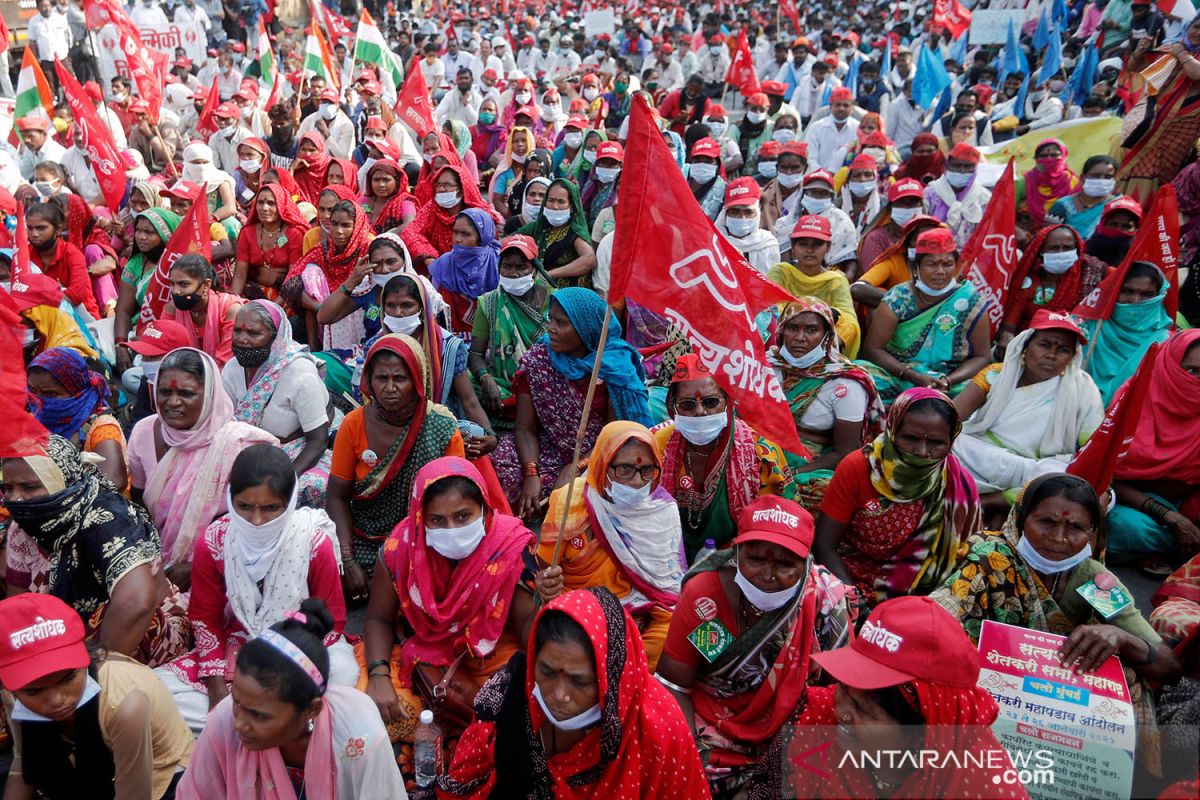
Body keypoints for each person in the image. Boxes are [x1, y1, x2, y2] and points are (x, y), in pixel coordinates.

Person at [656, 496, 856, 797]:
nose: (768, 575)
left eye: (786, 564)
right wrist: (690, 749)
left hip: (792, 727)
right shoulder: (705, 599)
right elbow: (675, 682)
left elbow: (839, 692)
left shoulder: (825, 603)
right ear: (737, 552)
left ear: (807, 562)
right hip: (713, 726)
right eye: (756, 559)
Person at [154, 444, 354, 734]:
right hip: (242, 640)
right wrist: (216, 686)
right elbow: (205, 616)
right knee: (157, 692)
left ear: (290, 501)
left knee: (343, 675)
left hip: (304, 644)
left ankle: (253, 721)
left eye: (271, 508)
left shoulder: (313, 543)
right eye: (245, 506)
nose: (257, 521)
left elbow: (332, 622)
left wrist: (289, 670)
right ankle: (272, 721)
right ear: (230, 498)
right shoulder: (215, 542)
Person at [440, 587, 711, 798]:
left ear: (612, 679)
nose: (558, 695)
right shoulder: (506, 694)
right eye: (546, 672)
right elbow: (466, 779)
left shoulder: (656, 729)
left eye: (579, 682)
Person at [359, 456, 535, 750]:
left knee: (517, 712)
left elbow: (528, 630)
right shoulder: (399, 550)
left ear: (483, 509)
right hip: (423, 653)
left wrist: (546, 602)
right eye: (437, 520)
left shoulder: (510, 547)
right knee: (371, 711)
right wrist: (379, 675)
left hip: (490, 654)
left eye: (463, 516)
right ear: (419, 517)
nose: (452, 529)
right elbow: (378, 619)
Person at [788, 596, 1028, 798]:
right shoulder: (816, 719)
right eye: (843, 688)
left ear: (923, 731)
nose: (841, 711)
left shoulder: (983, 785)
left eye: (863, 710)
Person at [178, 599, 407, 798]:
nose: (238, 723)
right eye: (237, 701)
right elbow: (195, 794)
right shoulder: (223, 722)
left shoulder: (358, 733)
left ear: (311, 710)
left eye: (259, 715)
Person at [1, 434, 191, 668]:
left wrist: (90, 676)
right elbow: (18, 606)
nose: (16, 499)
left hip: (142, 630)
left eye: (30, 487)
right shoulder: (23, 528)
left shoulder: (107, 517)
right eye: (8, 488)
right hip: (64, 632)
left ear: (61, 481)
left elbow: (137, 603)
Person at [0, 593, 194, 800]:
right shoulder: (13, 693)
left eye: (67, 678)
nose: (57, 699)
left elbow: (134, 796)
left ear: (84, 658)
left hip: (161, 780)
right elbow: (24, 762)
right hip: (94, 772)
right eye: (34, 691)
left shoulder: (123, 703)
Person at [127, 347, 277, 592]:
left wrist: (195, 566)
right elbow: (138, 503)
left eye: (187, 393)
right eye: (165, 391)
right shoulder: (145, 431)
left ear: (209, 395)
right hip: (154, 560)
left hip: (223, 568)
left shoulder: (237, 445)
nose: (173, 402)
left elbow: (256, 527)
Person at [536, 421, 683, 670]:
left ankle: (626, 671)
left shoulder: (663, 511)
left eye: (647, 470)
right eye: (625, 469)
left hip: (640, 617)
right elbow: (544, 572)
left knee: (677, 628)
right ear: (602, 465)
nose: (637, 481)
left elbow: (667, 595)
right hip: (579, 614)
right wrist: (546, 587)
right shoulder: (568, 503)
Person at [327, 335, 466, 597]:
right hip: (367, 539)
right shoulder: (353, 424)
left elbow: (456, 497)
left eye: (400, 378)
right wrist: (347, 559)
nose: (390, 388)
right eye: (381, 378)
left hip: (426, 538)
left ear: (417, 379)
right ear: (368, 380)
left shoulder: (441, 425)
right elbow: (337, 496)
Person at [815, 388, 982, 606]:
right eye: (910, 438)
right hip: (852, 577)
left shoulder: (958, 483)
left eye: (936, 442)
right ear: (892, 430)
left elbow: (963, 560)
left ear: (951, 440)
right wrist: (854, 601)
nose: (922, 451)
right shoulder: (859, 468)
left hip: (923, 593)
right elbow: (824, 545)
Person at [494, 287, 653, 515]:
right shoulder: (539, 359)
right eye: (551, 320)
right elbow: (525, 428)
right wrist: (531, 473)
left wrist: (577, 466)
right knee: (502, 465)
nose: (551, 328)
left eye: (561, 323)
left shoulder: (615, 369)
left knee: (600, 487)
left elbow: (615, 438)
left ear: (585, 329)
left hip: (597, 453)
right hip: (550, 446)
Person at [953, 311, 1104, 511]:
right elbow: (950, 417)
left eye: (1063, 349)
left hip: (1035, 469)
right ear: (1025, 346)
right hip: (983, 458)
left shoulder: (1083, 388)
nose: (1051, 354)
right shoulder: (996, 374)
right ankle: (1013, 499)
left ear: (1071, 357)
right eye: (1044, 345)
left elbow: (1093, 449)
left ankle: (992, 501)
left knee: (1073, 480)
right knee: (950, 443)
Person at [652, 354, 795, 560]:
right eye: (688, 404)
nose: (700, 412)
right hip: (666, 555)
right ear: (673, 406)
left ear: (727, 401)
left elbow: (778, 519)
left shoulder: (760, 451)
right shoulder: (657, 445)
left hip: (739, 558)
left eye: (711, 402)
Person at [770, 299, 884, 509]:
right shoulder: (769, 366)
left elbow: (844, 453)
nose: (799, 338)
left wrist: (791, 474)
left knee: (823, 491)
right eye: (792, 328)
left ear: (826, 336)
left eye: (811, 330)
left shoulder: (844, 382)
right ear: (782, 330)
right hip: (765, 451)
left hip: (812, 464)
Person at [222, 300, 333, 507]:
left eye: (253, 333)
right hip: (245, 455)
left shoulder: (299, 373)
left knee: (310, 488)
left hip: (296, 455)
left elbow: (318, 440)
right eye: (237, 331)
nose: (242, 339)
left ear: (276, 339)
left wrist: (287, 477)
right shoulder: (232, 369)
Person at [860, 227, 992, 400]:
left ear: (956, 265)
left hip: (952, 381)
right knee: (859, 377)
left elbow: (982, 357)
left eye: (947, 264)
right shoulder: (898, 298)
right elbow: (873, 350)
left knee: (989, 385)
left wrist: (948, 380)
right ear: (915, 267)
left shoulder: (971, 300)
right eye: (931, 264)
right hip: (900, 376)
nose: (940, 271)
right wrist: (913, 376)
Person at [1108, 330, 1200, 564]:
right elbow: (1106, 473)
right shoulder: (1134, 399)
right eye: (1191, 371)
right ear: (1169, 367)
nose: (1197, 381)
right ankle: (1176, 550)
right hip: (1131, 502)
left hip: (1186, 501)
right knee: (1126, 528)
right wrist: (1168, 516)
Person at [468, 234, 553, 432]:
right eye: (507, 266)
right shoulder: (489, 303)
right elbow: (476, 354)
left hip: (545, 381)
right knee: (466, 381)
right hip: (505, 384)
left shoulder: (553, 300)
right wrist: (486, 380)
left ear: (534, 269)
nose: (513, 273)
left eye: (521, 267)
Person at [1116, 16, 1200, 203]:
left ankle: (1149, 215)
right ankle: (1124, 210)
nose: (1198, 32)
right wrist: (1139, 52)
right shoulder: (1171, 49)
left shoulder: (1177, 50)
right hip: (1151, 120)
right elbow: (1135, 68)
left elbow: (1195, 73)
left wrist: (1182, 54)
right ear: (1188, 27)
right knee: (1135, 164)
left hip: (1183, 127)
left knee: (1164, 175)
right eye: (1196, 27)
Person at [27, 347, 126, 490]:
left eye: (51, 394)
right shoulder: (34, 419)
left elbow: (114, 482)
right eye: (33, 391)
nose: (39, 401)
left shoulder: (101, 426)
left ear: (76, 391)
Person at [766, 215, 861, 358]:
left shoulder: (836, 280)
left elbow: (849, 320)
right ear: (793, 247)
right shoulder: (781, 272)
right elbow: (771, 306)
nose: (809, 250)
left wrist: (826, 344)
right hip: (784, 340)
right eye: (803, 244)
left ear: (828, 247)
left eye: (817, 244)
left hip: (822, 344)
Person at [1081, 261, 1174, 405]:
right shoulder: (1088, 326)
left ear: (1159, 295)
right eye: (1128, 291)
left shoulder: (1167, 343)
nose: (1135, 300)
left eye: (1147, 294)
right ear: (1115, 290)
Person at [1000, 224, 1102, 345]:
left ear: (1077, 249)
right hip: (1030, 344)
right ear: (1041, 251)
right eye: (1054, 248)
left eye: (1067, 247)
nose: (1061, 252)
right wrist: (1008, 340)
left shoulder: (1088, 276)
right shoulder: (1029, 283)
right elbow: (1010, 326)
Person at [114, 208, 181, 370]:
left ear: (167, 235)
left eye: (150, 232)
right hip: (141, 329)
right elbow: (123, 310)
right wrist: (120, 345)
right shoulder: (135, 264)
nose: (141, 237)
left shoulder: (179, 265)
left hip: (173, 336)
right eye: (138, 230)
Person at [161, 255, 243, 369]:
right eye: (172, 284)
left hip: (224, 375)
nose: (175, 291)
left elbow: (225, 360)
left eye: (184, 284)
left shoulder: (230, 309)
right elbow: (163, 350)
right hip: (183, 374)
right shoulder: (172, 309)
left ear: (206, 285)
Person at [428, 208, 501, 334]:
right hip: (450, 337)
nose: (457, 239)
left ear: (482, 237)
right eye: (455, 232)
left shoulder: (497, 263)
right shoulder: (444, 264)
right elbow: (432, 304)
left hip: (493, 337)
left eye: (465, 234)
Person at [231, 184, 308, 302]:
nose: (264, 208)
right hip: (255, 292)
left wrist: (273, 307)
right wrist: (233, 301)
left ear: (282, 206)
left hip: (285, 295)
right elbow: (240, 275)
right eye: (260, 202)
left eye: (271, 203)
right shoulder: (247, 233)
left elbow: (293, 278)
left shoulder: (293, 234)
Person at [516, 178, 597, 288]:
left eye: (561, 201)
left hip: (567, 293)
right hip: (539, 287)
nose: (555, 206)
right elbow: (509, 241)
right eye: (550, 200)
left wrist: (548, 274)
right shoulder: (539, 227)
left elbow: (589, 259)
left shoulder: (574, 231)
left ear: (571, 206)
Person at [923, 142, 990, 249]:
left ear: (975, 169)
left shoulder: (983, 198)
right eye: (956, 165)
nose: (961, 171)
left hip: (970, 257)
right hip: (935, 253)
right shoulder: (930, 194)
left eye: (968, 167)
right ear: (946, 166)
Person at [1046, 155, 1121, 239]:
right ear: (1082, 178)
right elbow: (1049, 239)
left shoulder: (1119, 205)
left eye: (1108, 177)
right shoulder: (1063, 205)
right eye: (1096, 175)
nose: (1102, 180)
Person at [715, 177, 779, 274]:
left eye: (748, 212)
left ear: (758, 212)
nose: (742, 217)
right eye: (735, 212)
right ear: (725, 214)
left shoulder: (767, 244)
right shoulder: (714, 243)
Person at [1021, 139, 1081, 228]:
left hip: (1068, 234)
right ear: (1036, 159)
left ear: (1064, 156)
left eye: (1054, 155)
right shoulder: (1025, 181)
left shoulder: (1074, 181)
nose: (1049, 159)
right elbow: (1005, 210)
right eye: (1043, 156)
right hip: (1030, 236)